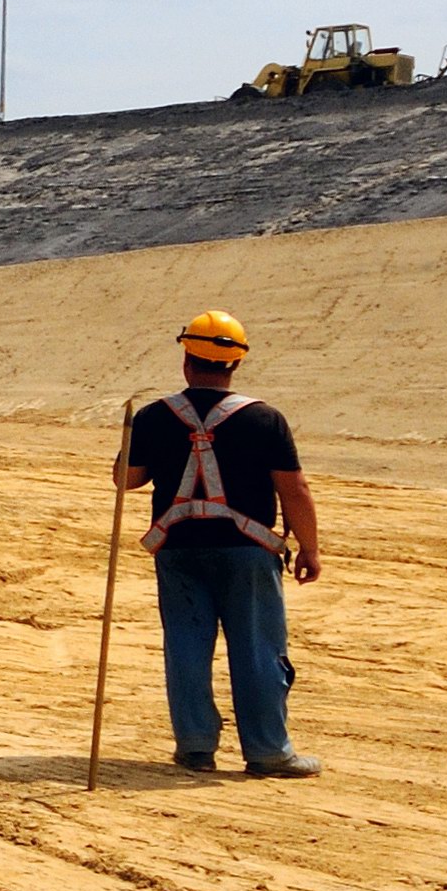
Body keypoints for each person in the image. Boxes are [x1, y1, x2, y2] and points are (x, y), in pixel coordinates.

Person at [114, 311, 323, 777]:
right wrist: (309, 548)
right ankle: (268, 751)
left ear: (187, 361)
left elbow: (125, 481)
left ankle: (194, 746)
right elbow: (295, 490)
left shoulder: (154, 417)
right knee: (256, 648)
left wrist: (139, 442)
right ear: (235, 365)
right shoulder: (265, 419)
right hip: (248, 551)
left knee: (187, 645)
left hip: (178, 549)